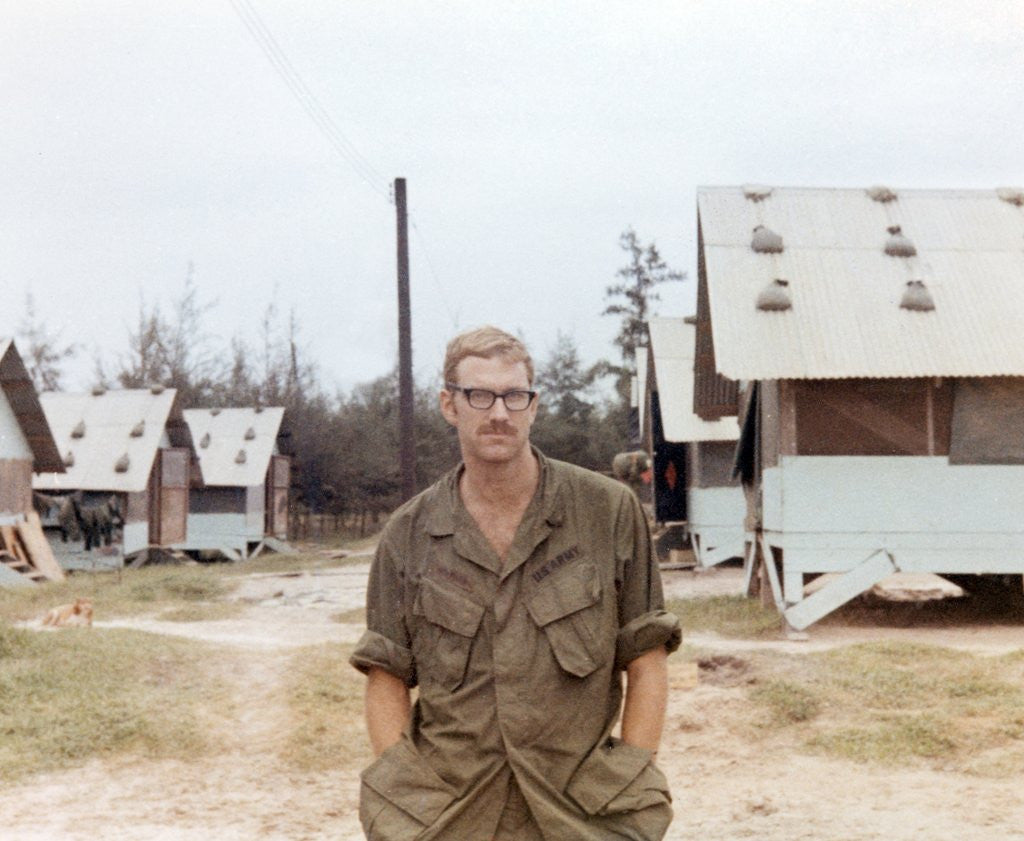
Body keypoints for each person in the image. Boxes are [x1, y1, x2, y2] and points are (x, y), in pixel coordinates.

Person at [350, 325, 681, 841]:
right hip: (454, 815)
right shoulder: (409, 533)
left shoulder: (606, 511)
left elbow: (646, 657)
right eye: (479, 395)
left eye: (514, 396)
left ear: (534, 405)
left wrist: (634, 772)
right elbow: (386, 673)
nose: (499, 413)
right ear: (449, 404)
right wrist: (405, 790)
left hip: (582, 812)